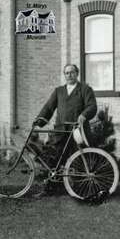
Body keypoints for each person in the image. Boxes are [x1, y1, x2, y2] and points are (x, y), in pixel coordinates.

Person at [33, 64, 97, 195]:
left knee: (78, 160)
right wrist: (39, 120)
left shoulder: (85, 89)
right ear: (64, 75)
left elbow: (92, 106)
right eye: (66, 73)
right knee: (55, 158)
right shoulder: (59, 91)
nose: (69, 75)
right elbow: (48, 108)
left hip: (77, 130)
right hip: (61, 131)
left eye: (72, 72)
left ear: (77, 73)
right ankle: (51, 188)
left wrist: (84, 115)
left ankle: (81, 189)